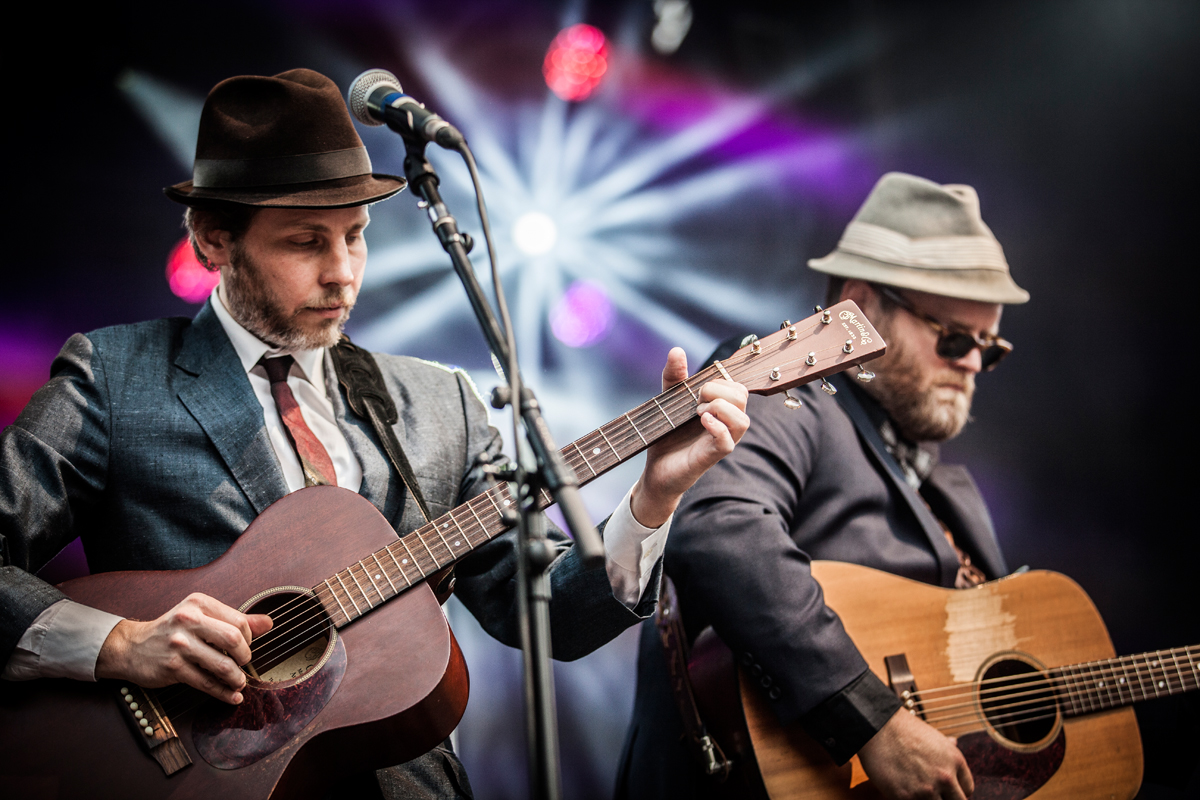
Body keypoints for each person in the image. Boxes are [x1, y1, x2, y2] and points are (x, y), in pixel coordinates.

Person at [0, 69, 749, 798]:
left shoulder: (439, 403)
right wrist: (120, 646)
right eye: (305, 242)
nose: (343, 274)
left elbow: (546, 612)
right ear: (212, 240)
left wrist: (652, 497)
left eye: (355, 237)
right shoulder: (116, 377)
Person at [617, 172, 1030, 800]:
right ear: (861, 305)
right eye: (952, 337)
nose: (972, 362)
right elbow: (719, 523)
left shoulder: (950, 493)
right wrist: (871, 720)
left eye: (987, 348)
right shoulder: (787, 392)